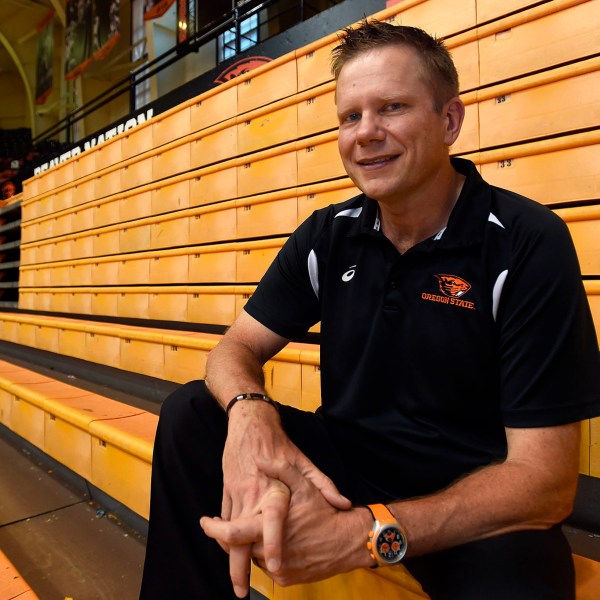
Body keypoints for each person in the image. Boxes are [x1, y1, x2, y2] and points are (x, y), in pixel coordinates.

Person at [140, 20, 600, 600]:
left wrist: (365, 534)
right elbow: (235, 349)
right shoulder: (330, 235)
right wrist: (248, 411)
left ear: (450, 121)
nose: (366, 134)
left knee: (525, 582)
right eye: (349, 116)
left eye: (391, 108)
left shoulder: (525, 241)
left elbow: (546, 485)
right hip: (348, 466)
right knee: (190, 416)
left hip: (474, 494)